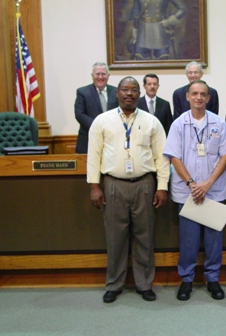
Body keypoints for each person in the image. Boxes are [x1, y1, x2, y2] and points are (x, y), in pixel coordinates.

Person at [87, 76, 170, 304]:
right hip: (113, 184)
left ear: (139, 94)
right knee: (115, 238)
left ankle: (145, 284)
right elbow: (93, 155)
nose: (129, 93)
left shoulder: (152, 122)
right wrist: (95, 186)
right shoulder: (102, 121)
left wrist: (162, 187)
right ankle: (114, 284)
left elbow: (162, 157)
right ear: (117, 93)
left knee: (144, 236)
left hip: (145, 184)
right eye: (125, 89)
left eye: (134, 90)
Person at [164, 80, 226, 301]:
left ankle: (213, 279)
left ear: (208, 98)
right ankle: (186, 280)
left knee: (214, 239)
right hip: (188, 192)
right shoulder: (178, 124)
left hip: (212, 191)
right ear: (187, 96)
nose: (199, 97)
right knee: (188, 239)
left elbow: (225, 156)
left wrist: (207, 184)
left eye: (203, 94)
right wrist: (193, 184)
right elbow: (174, 157)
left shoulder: (219, 123)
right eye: (194, 93)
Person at [74, 62, 118, 154]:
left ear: (108, 75)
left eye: (103, 74)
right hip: (88, 139)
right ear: (92, 75)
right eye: (97, 74)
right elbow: (79, 114)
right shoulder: (82, 92)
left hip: (112, 141)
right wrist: (98, 127)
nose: (100, 77)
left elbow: (120, 112)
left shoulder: (116, 92)